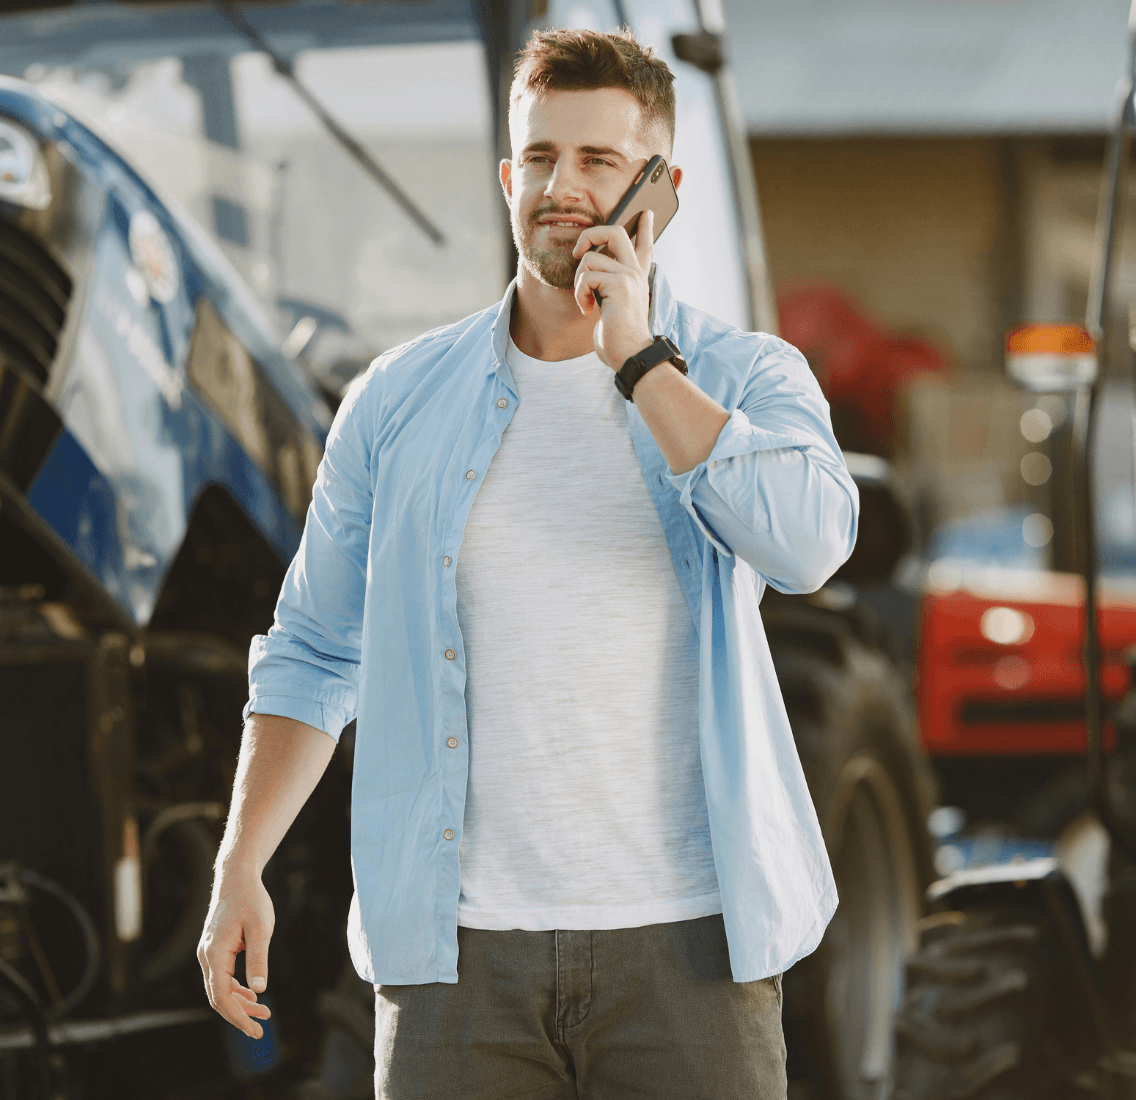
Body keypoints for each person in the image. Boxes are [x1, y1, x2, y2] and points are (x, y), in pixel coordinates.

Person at [198, 27, 858, 1100]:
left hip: (689, 948)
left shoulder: (745, 374)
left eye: (598, 160)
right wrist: (241, 862)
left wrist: (639, 360)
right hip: (456, 963)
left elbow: (811, 543)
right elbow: (314, 649)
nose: (562, 187)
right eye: (541, 157)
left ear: (661, 190)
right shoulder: (395, 402)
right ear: (508, 178)